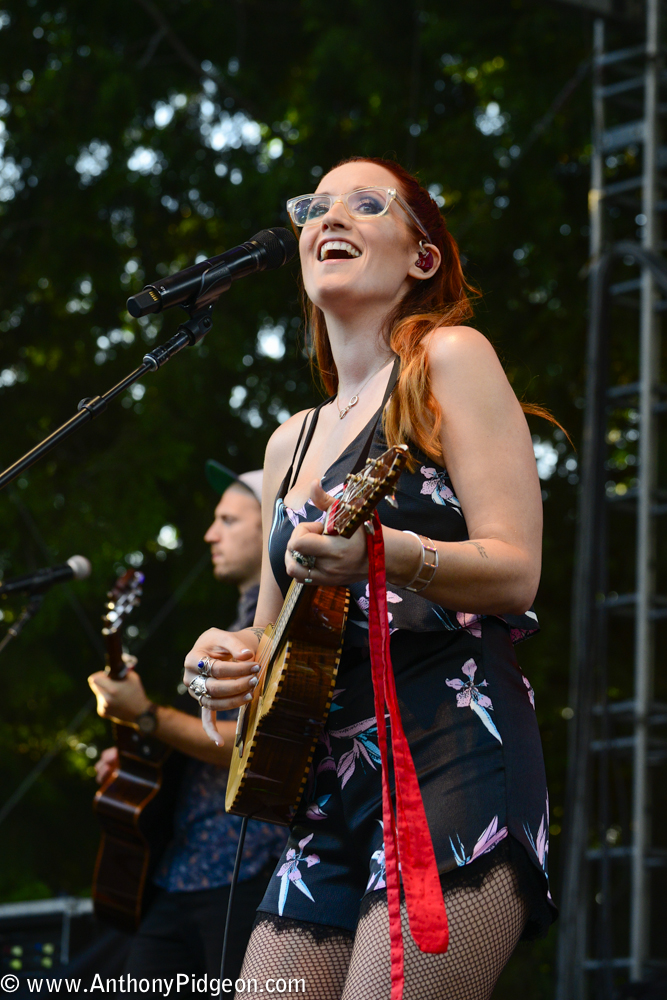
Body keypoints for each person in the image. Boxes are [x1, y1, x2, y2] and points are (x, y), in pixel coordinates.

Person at [183, 157, 558, 1000]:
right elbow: (273, 635)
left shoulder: (448, 359)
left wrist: (388, 553)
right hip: (320, 792)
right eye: (315, 207)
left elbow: (516, 571)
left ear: (420, 257)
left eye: (363, 203)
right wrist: (223, 659)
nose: (329, 218)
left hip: (449, 756)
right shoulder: (290, 441)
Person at [89, 463, 285, 987]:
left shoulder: (281, 624)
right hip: (181, 869)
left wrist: (148, 717)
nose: (209, 534)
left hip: (246, 872)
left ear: (271, 525)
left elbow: (249, 745)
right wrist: (138, 762)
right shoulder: (237, 618)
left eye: (228, 520)